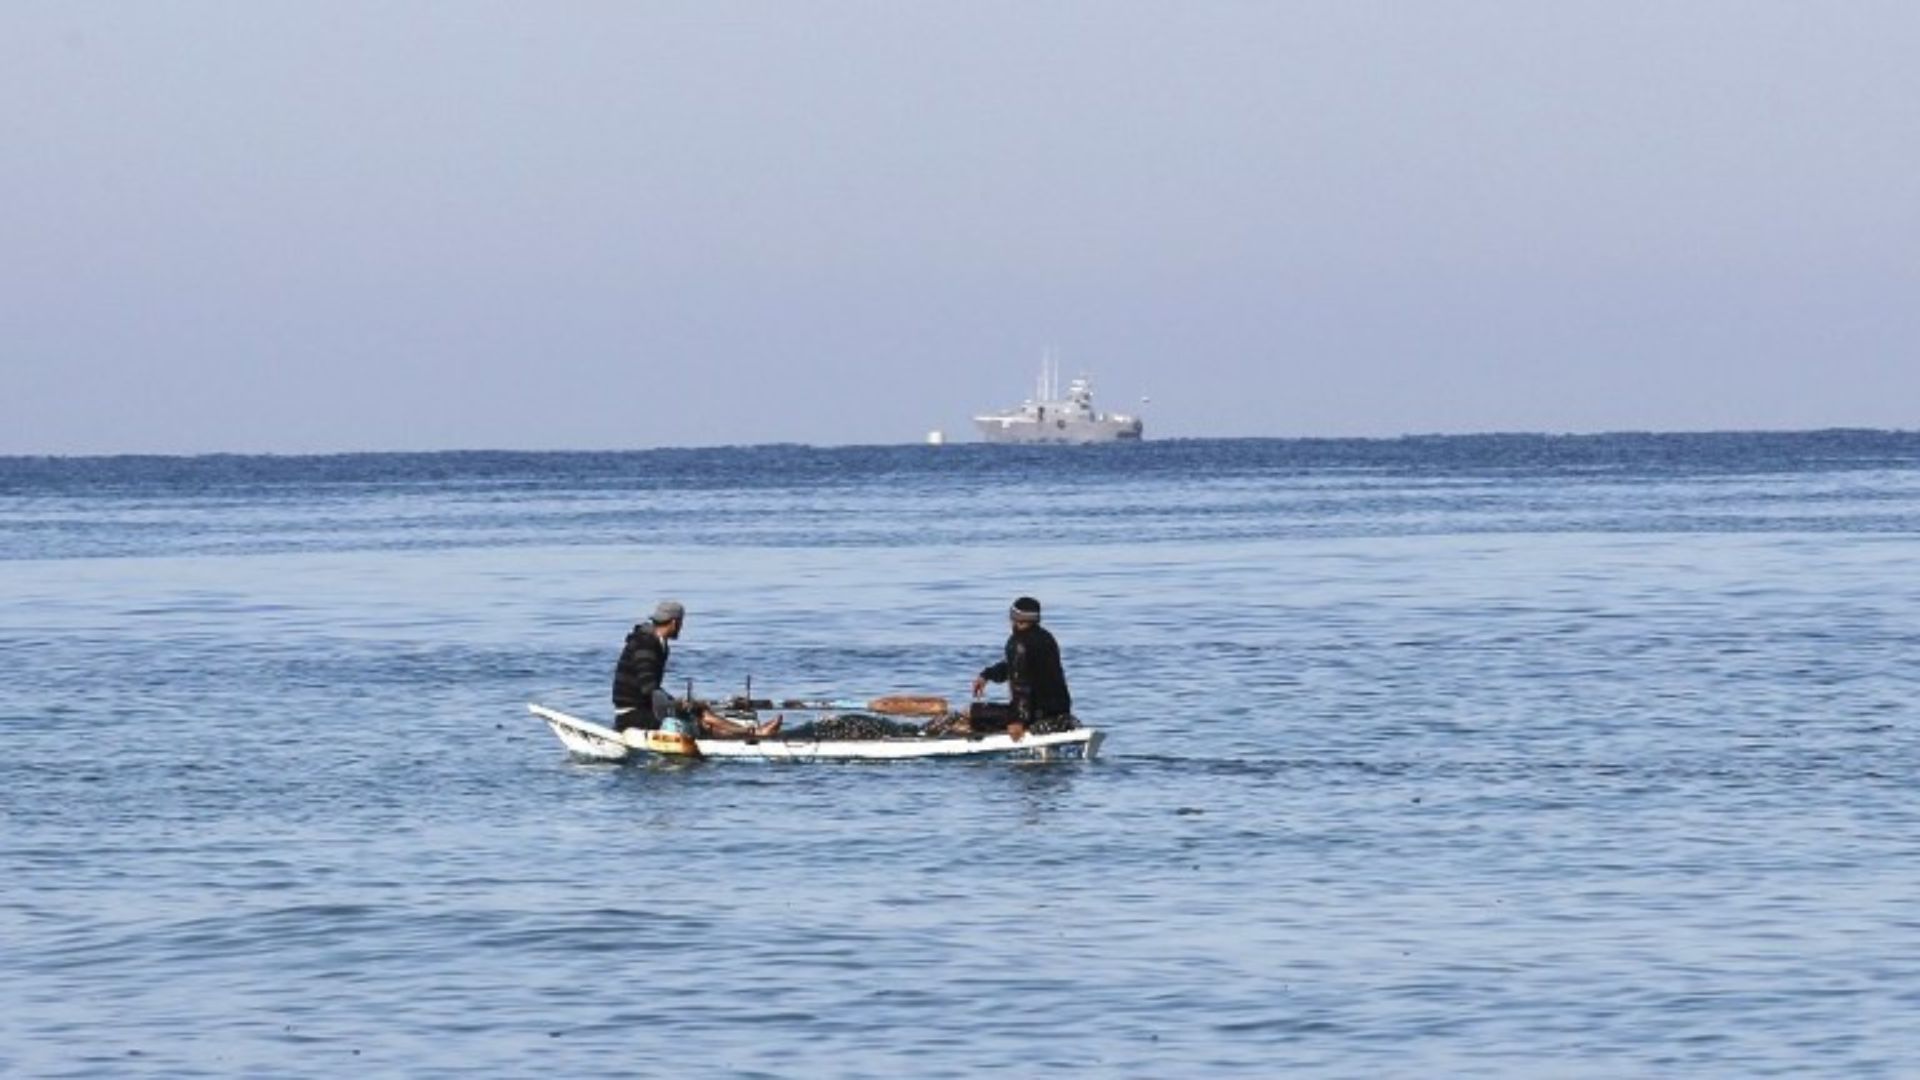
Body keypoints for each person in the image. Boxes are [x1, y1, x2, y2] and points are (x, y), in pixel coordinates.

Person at [611, 600, 779, 738]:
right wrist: (677, 705)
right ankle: (755, 733)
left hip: (643, 708)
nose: (681, 628)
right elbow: (648, 687)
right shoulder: (646, 644)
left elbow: (652, 690)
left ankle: (749, 733)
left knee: (700, 711)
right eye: (681, 623)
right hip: (632, 716)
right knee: (700, 716)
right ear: (674, 622)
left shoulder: (656, 642)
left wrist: (678, 703)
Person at [969, 596, 1073, 740]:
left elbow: (1021, 686)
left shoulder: (1018, 644)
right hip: (1059, 710)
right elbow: (1014, 667)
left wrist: (1019, 720)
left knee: (968, 713)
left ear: (1015, 618)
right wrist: (987, 675)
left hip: (1032, 714)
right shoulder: (1047, 638)